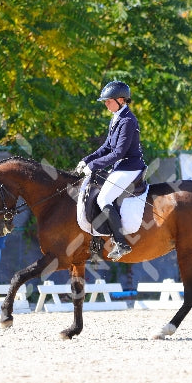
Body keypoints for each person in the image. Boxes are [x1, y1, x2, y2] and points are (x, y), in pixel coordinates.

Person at [75, 80, 147, 261]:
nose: (106, 103)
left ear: (121, 100)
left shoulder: (128, 120)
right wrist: (86, 160)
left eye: (108, 100)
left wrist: (94, 166)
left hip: (130, 167)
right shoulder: (116, 118)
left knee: (103, 198)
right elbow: (106, 147)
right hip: (120, 166)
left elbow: (118, 152)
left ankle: (121, 243)